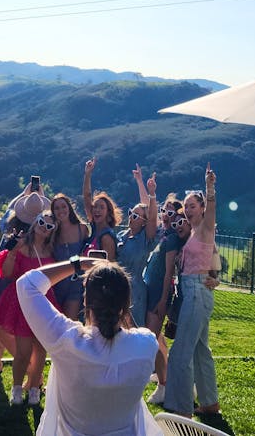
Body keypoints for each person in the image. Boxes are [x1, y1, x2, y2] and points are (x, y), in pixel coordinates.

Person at [17, 258, 163, 436]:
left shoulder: (66, 340)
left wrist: (78, 264)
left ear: (86, 300)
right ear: (126, 303)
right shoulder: (146, 345)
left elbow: (27, 284)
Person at [0, 184, 50, 378]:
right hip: (18, 279)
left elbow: (9, 210)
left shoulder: (12, 225)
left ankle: (16, 365)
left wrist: (24, 194)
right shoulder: (39, 231)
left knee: (4, 323)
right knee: (12, 325)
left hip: (9, 277)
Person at [164, 163, 219, 418]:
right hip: (195, 291)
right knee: (199, 351)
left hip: (197, 292)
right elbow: (213, 255)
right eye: (186, 206)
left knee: (180, 352)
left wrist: (209, 187)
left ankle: (180, 408)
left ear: (202, 208)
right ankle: (209, 403)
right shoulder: (193, 231)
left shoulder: (206, 227)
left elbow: (212, 211)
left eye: (192, 205)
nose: (187, 209)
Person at [0, 209, 58, 406]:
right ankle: (17, 388)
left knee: (40, 350)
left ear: (53, 230)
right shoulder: (21, 247)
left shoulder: (51, 251)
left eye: (49, 226)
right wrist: (12, 252)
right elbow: (6, 272)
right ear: (35, 222)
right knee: (23, 351)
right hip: (21, 300)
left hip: (44, 301)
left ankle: (35, 389)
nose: (44, 228)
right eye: (41, 222)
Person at [143, 194, 183, 404]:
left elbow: (169, 273)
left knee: (152, 339)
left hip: (159, 292)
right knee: (157, 339)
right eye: (163, 211)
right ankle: (163, 377)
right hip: (151, 289)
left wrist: (162, 300)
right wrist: (151, 193)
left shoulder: (173, 239)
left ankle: (163, 386)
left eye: (170, 212)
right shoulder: (164, 234)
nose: (165, 215)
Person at [117, 167, 158, 327]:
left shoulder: (145, 239)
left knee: (134, 329)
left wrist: (152, 194)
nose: (131, 218)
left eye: (136, 216)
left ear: (143, 222)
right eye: (130, 213)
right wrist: (139, 180)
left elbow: (152, 217)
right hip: (118, 286)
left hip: (135, 292)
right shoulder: (121, 236)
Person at [51, 194, 89, 319]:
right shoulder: (52, 232)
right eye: (57, 208)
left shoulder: (82, 229)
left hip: (76, 285)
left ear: (69, 207)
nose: (61, 210)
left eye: (63, 206)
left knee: (70, 324)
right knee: (54, 324)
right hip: (56, 284)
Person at [82, 158, 122, 260]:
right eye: (95, 207)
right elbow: (87, 197)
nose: (97, 210)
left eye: (101, 207)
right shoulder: (95, 229)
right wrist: (87, 174)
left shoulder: (107, 237)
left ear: (108, 213)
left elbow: (109, 265)